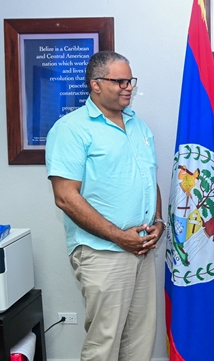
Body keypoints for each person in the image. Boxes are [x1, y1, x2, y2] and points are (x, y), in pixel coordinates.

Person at [46, 51, 162, 360]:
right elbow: (66, 197)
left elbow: (149, 178)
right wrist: (117, 235)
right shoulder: (71, 129)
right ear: (96, 84)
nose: (128, 87)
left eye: (130, 80)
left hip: (141, 249)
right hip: (103, 252)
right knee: (105, 344)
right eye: (120, 81)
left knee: (139, 341)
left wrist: (159, 221)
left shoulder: (139, 126)